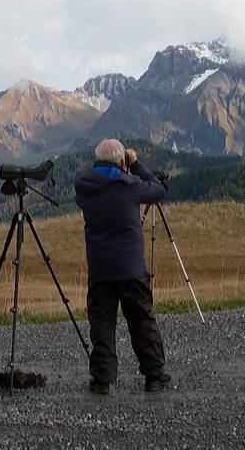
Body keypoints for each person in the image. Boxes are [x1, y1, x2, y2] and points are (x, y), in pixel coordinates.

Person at [74, 139, 171, 394]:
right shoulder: (129, 185)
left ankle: (102, 380)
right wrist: (136, 164)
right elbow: (158, 190)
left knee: (102, 323)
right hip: (131, 268)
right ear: (121, 161)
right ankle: (154, 376)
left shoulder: (84, 187)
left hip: (100, 269)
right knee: (141, 321)